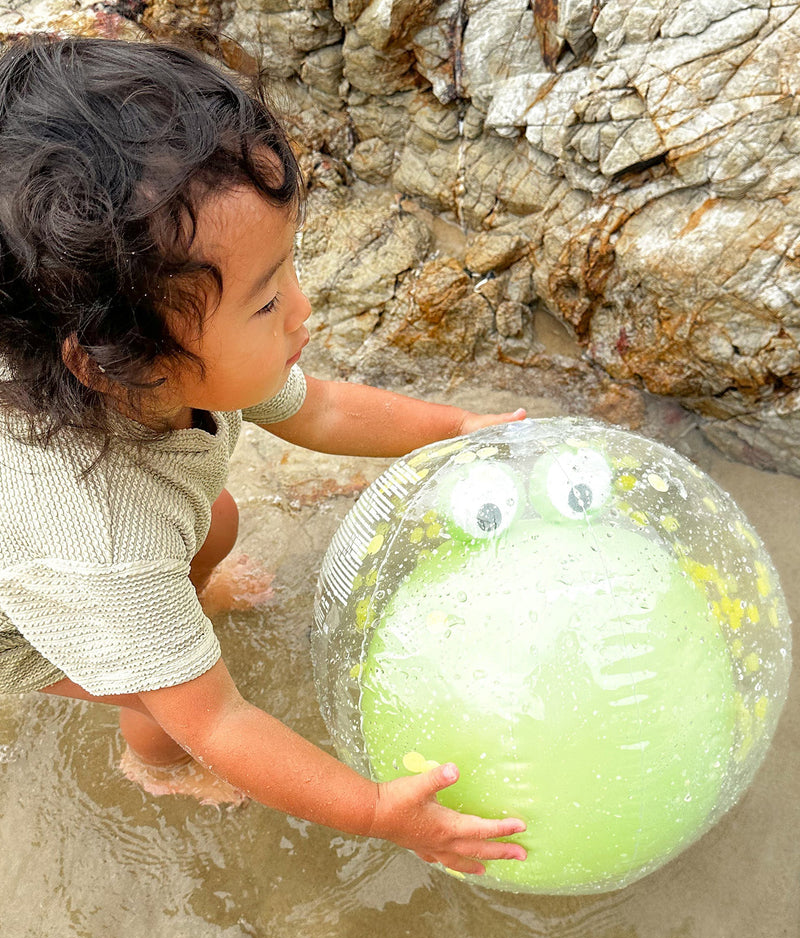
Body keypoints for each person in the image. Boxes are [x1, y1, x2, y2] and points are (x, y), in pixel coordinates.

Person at [0, 34, 527, 876]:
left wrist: (454, 430)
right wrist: (376, 811)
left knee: (220, 516)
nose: (304, 312)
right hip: (22, 617)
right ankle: (153, 770)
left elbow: (318, 408)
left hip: (100, 531)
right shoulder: (100, 551)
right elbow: (222, 722)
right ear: (123, 362)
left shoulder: (159, 366)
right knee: (158, 697)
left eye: (290, 270)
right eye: (267, 298)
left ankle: (190, 603)